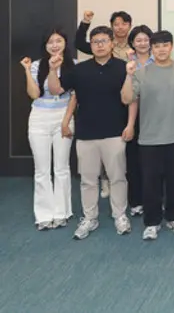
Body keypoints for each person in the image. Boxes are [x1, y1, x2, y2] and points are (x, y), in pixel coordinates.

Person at [47, 25, 135, 240]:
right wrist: (52, 70)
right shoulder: (80, 70)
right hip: (86, 133)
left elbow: (129, 99)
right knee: (88, 180)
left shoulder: (123, 67)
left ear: (112, 43)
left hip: (114, 132)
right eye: (95, 42)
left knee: (117, 178)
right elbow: (56, 89)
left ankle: (120, 215)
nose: (99, 45)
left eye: (103, 41)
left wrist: (130, 124)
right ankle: (90, 217)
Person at [121, 30, 174, 240]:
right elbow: (127, 99)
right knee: (150, 182)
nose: (161, 49)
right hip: (149, 137)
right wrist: (128, 75)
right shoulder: (141, 72)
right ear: (152, 49)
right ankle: (152, 222)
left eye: (165, 45)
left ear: (171, 46)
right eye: (157, 46)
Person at [21, 28, 77, 230]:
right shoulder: (37, 65)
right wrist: (27, 70)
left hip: (64, 116)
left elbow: (74, 96)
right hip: (39, 118)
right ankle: (44, 214)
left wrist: (66, 121)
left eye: (58, 40)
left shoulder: (74, 65)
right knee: (41, 169)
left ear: (65, 43)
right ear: (45, 46)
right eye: (50, 42)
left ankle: (62, 212)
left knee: (62, 167)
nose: (54, 45)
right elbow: (34, 94)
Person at [75, 10, 133, 199]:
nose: (120, 27)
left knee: (121, 158)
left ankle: (124, 193)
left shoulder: (134, 45)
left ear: (129, 26)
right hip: (96, 114)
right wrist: (86, 22)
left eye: (124, 23)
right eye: (116, 24)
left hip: (124, 105)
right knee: (97, 156)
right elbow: (79, 43)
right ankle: (105, 181)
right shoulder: (101, 45)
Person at [124, 25, 154, 217]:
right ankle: (136, 201)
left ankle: (155, 199)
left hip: (155, 114)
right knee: (134, 160)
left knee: (153, 160)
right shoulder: (127, 64)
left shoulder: (158, 61)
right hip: (132, 114)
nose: (143, 43)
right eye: (138, 40)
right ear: (132, 43)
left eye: (146, 40)